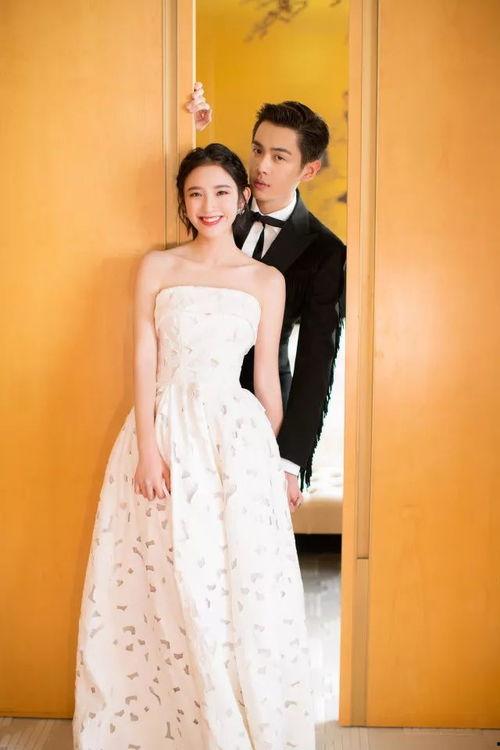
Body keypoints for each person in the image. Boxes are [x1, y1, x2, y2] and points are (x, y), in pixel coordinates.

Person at [73, 143, 316, 749]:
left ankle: (231, 719)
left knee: (229, 582)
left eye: (221, 192)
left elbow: (267, 378)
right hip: (163, 433)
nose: (209, 205)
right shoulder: (158, 267)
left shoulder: (266, 280)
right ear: (183, 202)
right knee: (162, 574)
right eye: (196, 193)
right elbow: (144, 356)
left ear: (242, 197)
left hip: (234, 442)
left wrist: (269, 460)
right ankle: (168, 722)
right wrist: (148, 449)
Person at [187, 83, 347, 507]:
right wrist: (187, 130)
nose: (261, 166)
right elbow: (187, 185)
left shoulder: (326, 251)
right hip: (192, 403)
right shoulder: (218, 207)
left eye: (279, 157)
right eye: (257, 150)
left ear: (308, 170)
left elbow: (317, 363)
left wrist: (289, 461)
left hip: (264, 409)